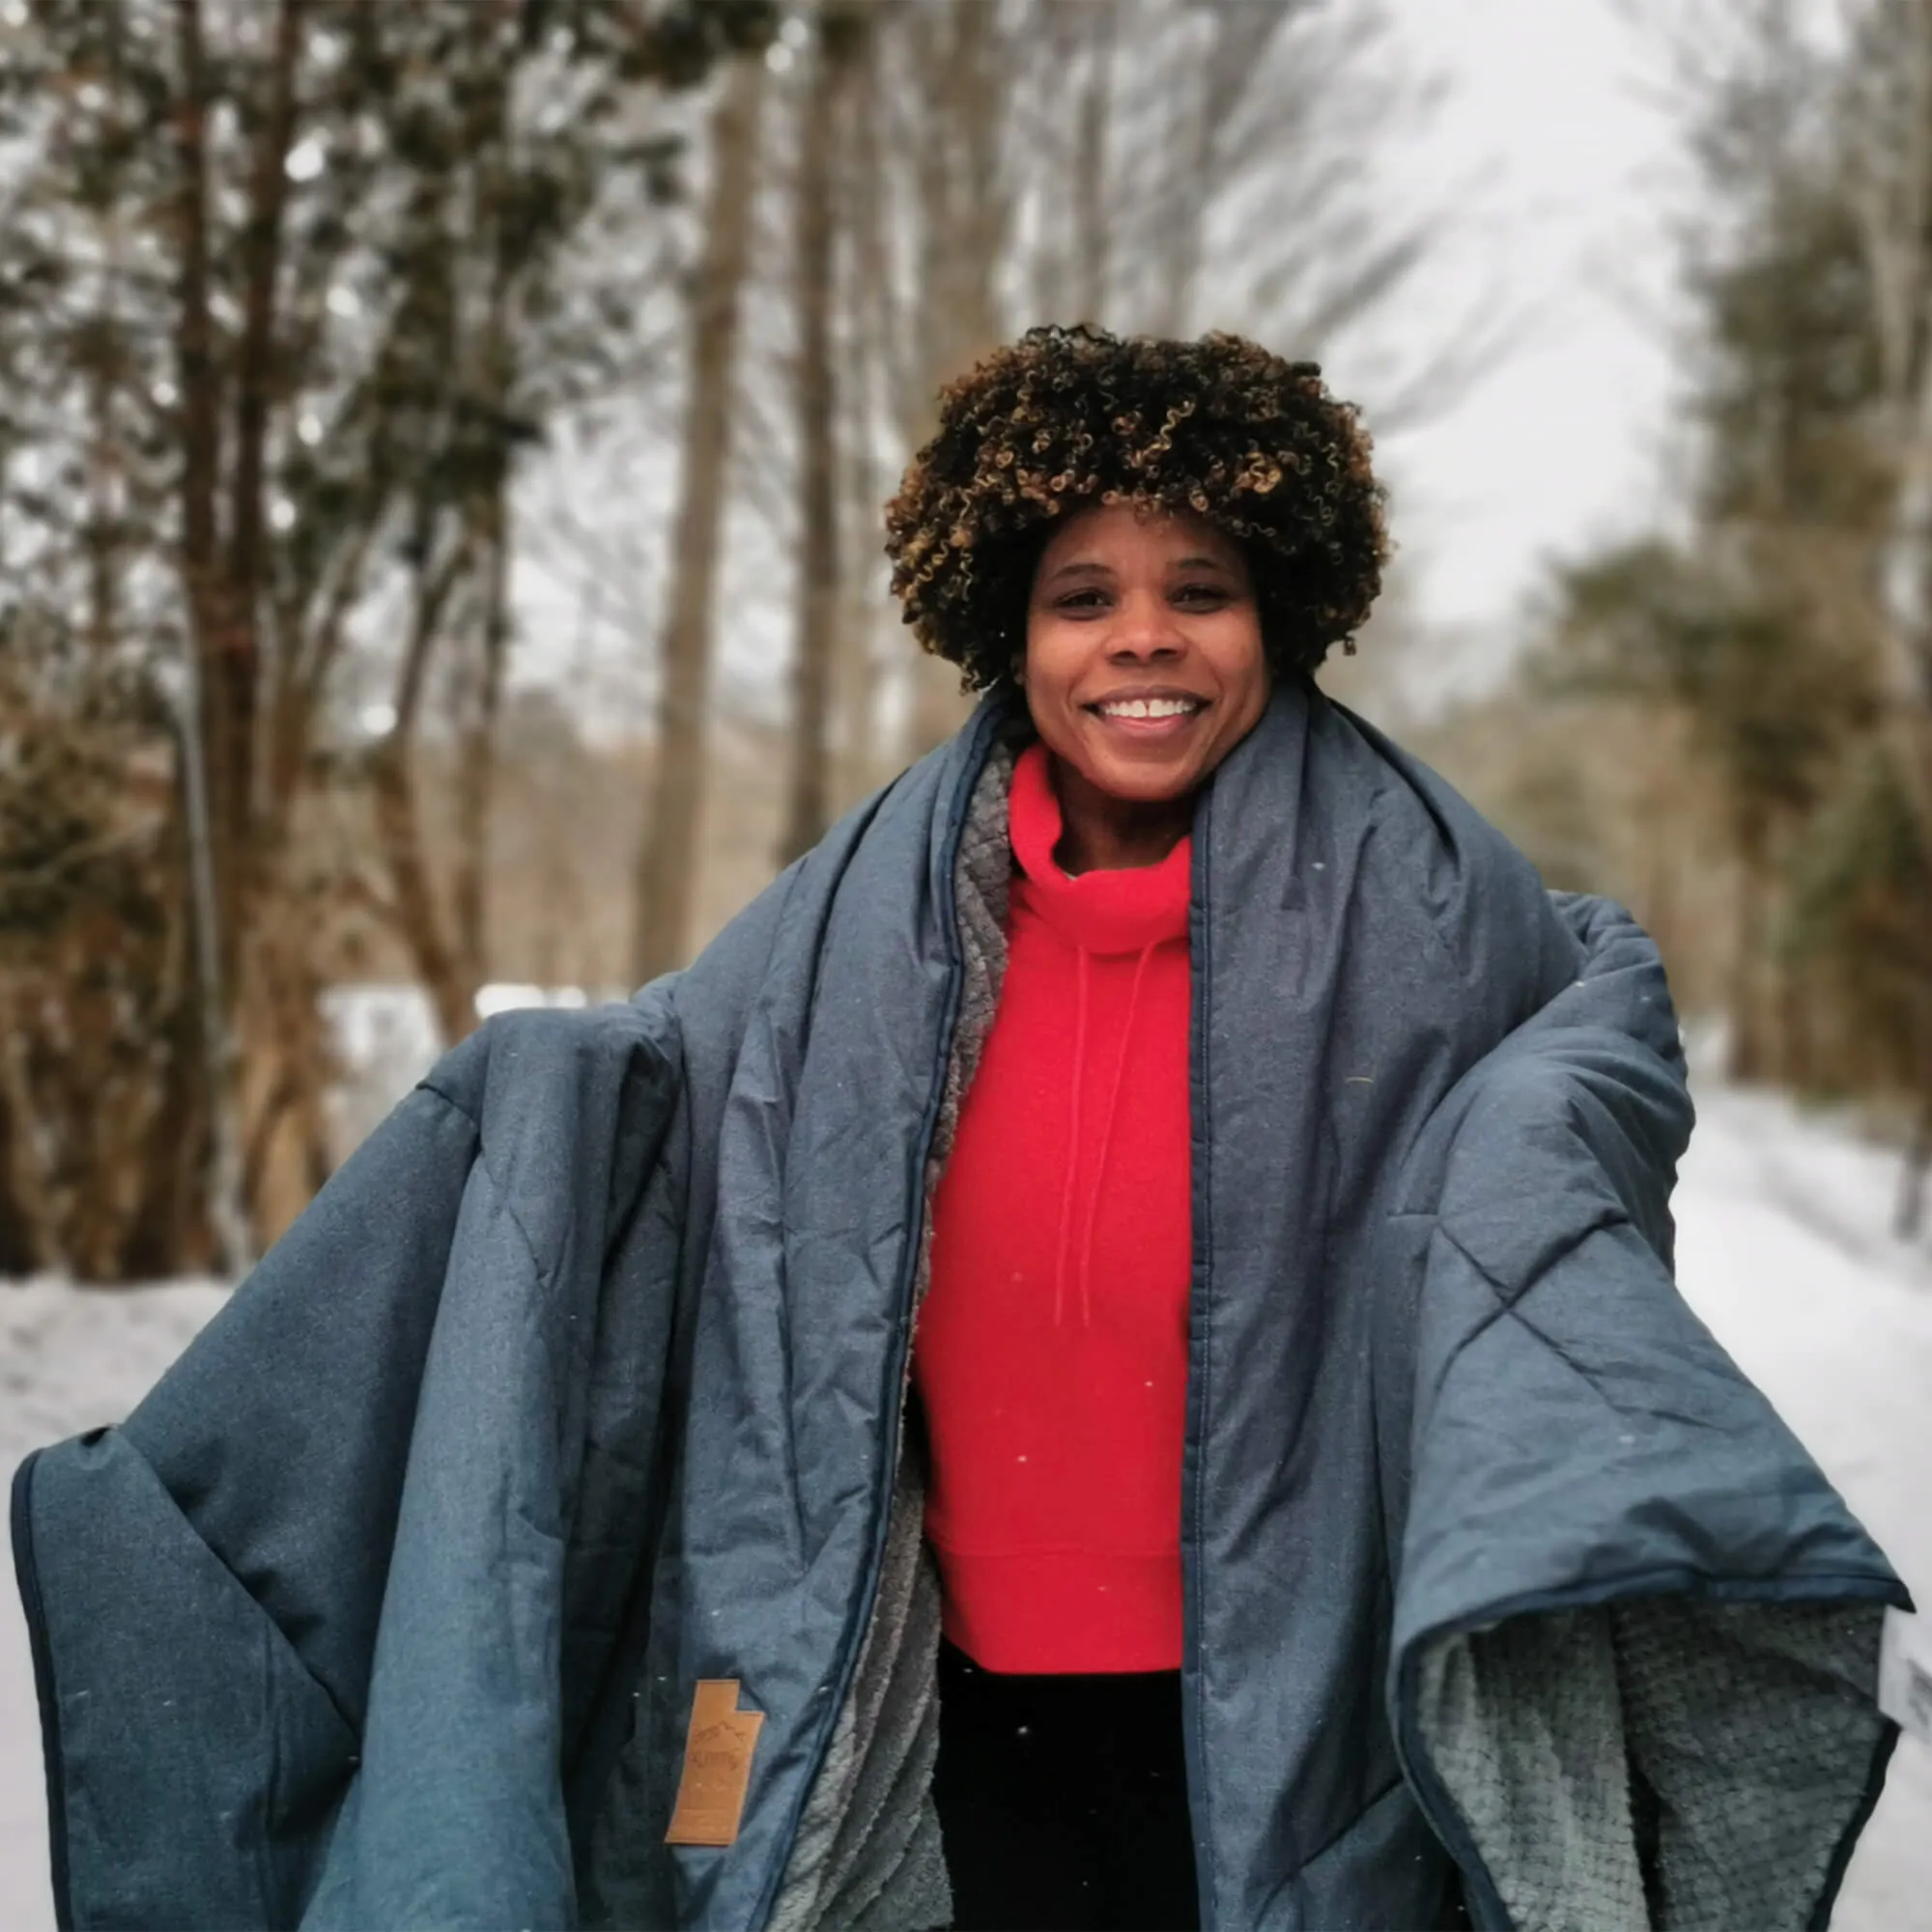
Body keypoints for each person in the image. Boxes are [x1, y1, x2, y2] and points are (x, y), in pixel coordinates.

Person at [13, 327, 1908, 1932]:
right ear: (1007, 622)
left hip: (1293, 1711)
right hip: (949, 1697)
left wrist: (1561, 1098)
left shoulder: (1442, 922)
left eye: (1199, 591)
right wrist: (531, 1096)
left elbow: (1575, 1131)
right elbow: (658, 1111)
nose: (1140, 644)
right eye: (1084, 596)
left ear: (1287, 611)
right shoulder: (860, 919)